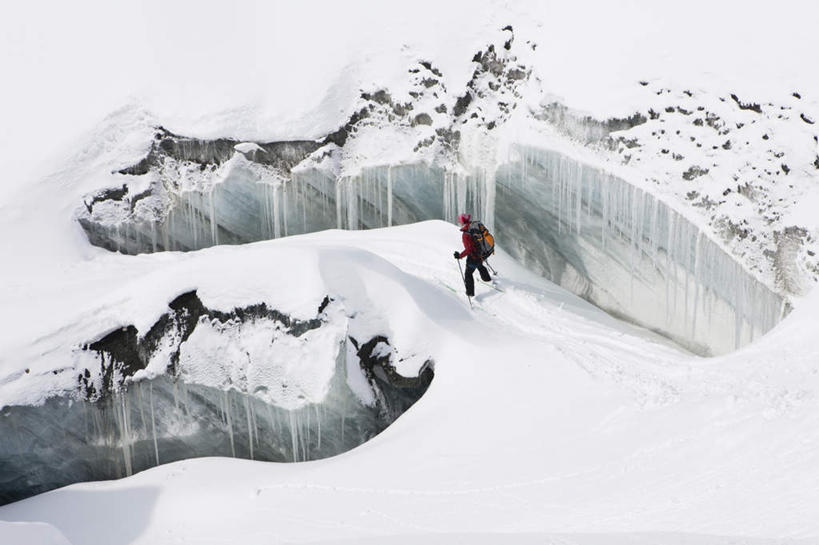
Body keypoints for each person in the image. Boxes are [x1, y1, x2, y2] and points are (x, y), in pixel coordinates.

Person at [453, 213, 491, 297]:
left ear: (462, 222)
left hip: (473, 256)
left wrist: (459, 256)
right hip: (481, 253)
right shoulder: (474, 226)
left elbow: (469, 249)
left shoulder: (466, 234)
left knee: (468, 274)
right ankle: (487, 279)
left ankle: (470, 293)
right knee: (480, 266)